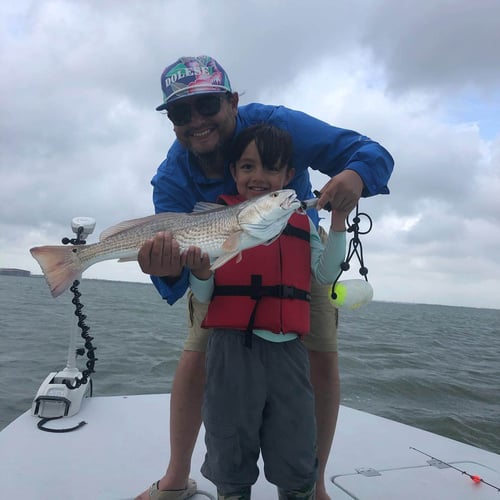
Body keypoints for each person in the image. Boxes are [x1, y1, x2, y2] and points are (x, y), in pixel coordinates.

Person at [136, 55, 394, 500]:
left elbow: (370, 152)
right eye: (181, 112)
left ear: (233, 101)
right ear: (171, 121)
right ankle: (177, 475)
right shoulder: (171, 177)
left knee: (323, 358)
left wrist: (353, 175)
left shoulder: (279, 126)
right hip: (217, 272)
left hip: (298, 262)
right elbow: (174, 274)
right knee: (196, 354)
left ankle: (313, 484)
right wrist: (167, 267)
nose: (196, 121)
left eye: (207, 106)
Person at [183, 123, 348, 500]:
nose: (258, 177)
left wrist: (338, 221)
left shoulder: (302, 224)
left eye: (271, 168)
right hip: (229, 352)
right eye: (247, 167)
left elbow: (325, 274)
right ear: (233, 173)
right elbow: (205, 295)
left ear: (289, 177)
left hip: (290, 353)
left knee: (297, 447)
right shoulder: (214, 223)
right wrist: (200, 271)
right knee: (229, 447)